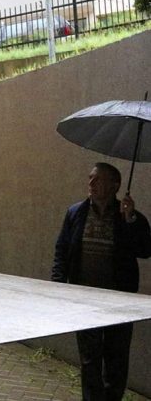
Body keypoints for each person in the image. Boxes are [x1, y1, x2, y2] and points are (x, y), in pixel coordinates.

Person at [52, 162, 151, 401]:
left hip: (119, 300)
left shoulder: (128, 216)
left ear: (115, 185)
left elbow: (145, 250)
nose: (91, 183)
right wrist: (56, 285)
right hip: (84, 300)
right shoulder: (75, 212)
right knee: (89, 359)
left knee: (116, 358)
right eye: (90, 178)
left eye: (98, 179)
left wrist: (131, 219)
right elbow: (62, 250)